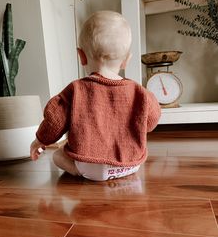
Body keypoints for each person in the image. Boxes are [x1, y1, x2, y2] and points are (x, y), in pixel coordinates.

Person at [30, 10, 161, 181]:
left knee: (58, 156)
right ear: (126, 60)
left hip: (91, 167)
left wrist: (40, 140)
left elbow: (54, 121)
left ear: (81, 56)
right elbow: (151, 120)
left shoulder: (76, 89)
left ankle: (80, 172)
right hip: (131, 164)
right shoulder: (140, 92)